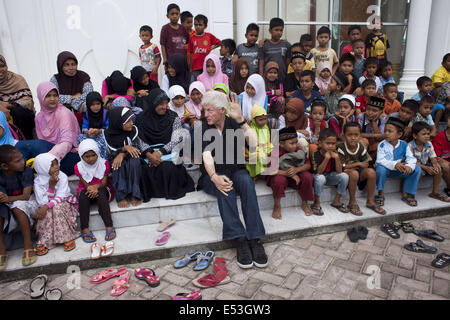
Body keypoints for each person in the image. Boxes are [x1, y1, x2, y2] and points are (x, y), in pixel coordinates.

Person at [197, 90, 267, 269]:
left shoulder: (233, 123)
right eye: (205, 111)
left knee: (246, 182)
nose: (206, 115)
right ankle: (240, 239)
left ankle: (254, 237)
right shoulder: (204, 127)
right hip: (212, 174)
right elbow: (206, 155)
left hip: (237, 169)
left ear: (222, 110)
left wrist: (242, 121)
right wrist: (214, 176)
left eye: (210, 111)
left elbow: (253, 144)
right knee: (225, 186)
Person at [137, 89, 195, 201]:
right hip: (148, 154)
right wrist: (150, 155)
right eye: (160, 104)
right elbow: (139, 139)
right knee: (146, 170)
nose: (164, 107)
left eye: (166, 103)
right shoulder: (141, 119)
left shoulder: (173, 117)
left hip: (168, 152)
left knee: (168, 168)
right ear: (152, 103)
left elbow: (176, 139)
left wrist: (160, 152)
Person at [15, 82, 81, 176]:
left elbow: (67, 143)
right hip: (49, 157)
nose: (52, 99)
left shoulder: (64, 113)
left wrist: (47, 159)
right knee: (22, 147)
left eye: (55, 95)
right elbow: (43, 143)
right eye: (48, 96)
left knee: (31, 145)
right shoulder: (39, 117)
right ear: (41, 97)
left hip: (69, 156)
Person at [33, 153, 80, 255]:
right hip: (48, 206)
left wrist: (47, 205)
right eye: (52, 165)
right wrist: (51, 187)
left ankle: (66, 236)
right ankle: (44, 240)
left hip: (65, 203)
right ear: (42, 168)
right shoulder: (38, 182)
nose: (56, 167)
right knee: (48, 211)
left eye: (56, 164)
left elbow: (61, 196)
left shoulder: (62, 176)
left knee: (56, 208)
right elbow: (43, 202)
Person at [0, 145, 37, 269]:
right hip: (7, 204)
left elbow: (26, 196)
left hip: (26, 203)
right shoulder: (1, 175)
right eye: (18, 161)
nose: (23, 162)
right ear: (5, 166)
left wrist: (8, 199)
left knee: (17, 206)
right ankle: (2, 249)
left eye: (22, 158)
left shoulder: (26, 171)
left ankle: (28, 245)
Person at [337, 122, 385, 215]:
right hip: (346, 174)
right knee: (354, 173)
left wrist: (354, 166)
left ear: (360, 136)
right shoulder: (341, 147)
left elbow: (366, 163)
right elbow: (342, 166)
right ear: (344, 135)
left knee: (371, 172)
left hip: (357, 173)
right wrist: (357, 164)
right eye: (349, 135)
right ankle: (352, 202)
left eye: (356, 135)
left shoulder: (361, 146)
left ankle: (370, 201)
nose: (353, 137)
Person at [266, 126, 314, 218]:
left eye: (296, 142)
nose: (295, 145)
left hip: (295, 176)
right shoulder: (275, 152)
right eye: (291, 143)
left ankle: (304, 203)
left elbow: (308, 165)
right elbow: (269, 170)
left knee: (308, 177)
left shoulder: (298, 151)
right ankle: (277, 205)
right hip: (281, 174)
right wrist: (286, 173)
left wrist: (296, 170)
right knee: (278, 180)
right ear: (281, 144)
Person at [75, 139, 115, 243]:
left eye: (93, 155)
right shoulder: (79, 167)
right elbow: (85, 184)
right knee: (83, 196)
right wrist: (91, 189)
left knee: (101, 193)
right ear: (81, 156)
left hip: (102, 188)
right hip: (86, 189)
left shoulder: (104, 163)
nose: (91, 159)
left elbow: (104, 182)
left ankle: (109, 226)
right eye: (87, 156)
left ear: (97, 153)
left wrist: (96, 188)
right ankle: (85, 228)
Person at [375, 117, 421, 207]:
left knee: (417, 169)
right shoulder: (382, 144)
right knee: (380, 169)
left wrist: (409, 166)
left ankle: (406, 194)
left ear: (399, 134)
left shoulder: (404, 144)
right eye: (385, 131)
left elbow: (411, 158)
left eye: (390, 131)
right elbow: (380, 160)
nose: (386, 133)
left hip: (399, 170)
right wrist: (395, 164)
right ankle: (380, 193)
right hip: (387, 170)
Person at [102, 107, 143, 208]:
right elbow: (109, 154)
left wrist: (123, 153)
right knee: (118, 164)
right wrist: (123, 150)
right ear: (118, 122)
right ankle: (121, 196)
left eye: (131, 120)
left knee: (134, 161)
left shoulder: (133, 131)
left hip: (133, 158)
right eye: (127, 121)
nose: (131, 123)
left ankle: (135, 193)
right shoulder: (108, 135)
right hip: (115, 158)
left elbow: (138, 149)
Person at [310, 128, 349, 215]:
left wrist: (337, 158)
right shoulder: (315, 153)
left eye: (333, 143)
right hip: (318, 177)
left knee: (344, 176)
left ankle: (336, 201)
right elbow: (318, 172)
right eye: (328, 143)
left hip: (330, 176)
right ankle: (316, 202)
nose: (331, 146)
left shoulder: (336, 153)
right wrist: (326, 158)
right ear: (320, 143)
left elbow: (339, 172)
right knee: (321, 178)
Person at [410, 121, 450, 203]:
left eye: (428, 134)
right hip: (415, 167)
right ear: (415, 135)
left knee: (438, 169)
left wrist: (435, 164)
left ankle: (434, 193)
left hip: (425, 165)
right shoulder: (410, 146)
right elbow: (412, 162)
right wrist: (426, 168)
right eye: (424, 134)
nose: (427, 136)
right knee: (418, 172)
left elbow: (433, 156)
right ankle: (410, 193)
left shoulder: (429, 144)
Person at [50, 51, 93, 124]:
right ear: (61, 66)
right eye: (66, 65)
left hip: (80, 105)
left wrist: (74, 104)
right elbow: (53, 97)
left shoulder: (83, 76)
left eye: (73, 64)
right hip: (61, 108)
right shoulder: (55, 79)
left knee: (90, 104)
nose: (70, 68)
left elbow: (89, 94)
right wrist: (72, 97)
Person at [0, 55, 35, 140]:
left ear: (6, 66)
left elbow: (28, 101)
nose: (0, 70)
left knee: (19, 112)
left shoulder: (17, 79)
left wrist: (9, 104)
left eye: (2, 66)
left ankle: (27, 141)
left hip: (21, 114)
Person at [77, 92, 109, 160]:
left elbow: (108, 128)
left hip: (102, 135)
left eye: (98, 104)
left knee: (103, 140)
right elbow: (84, 127)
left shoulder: (106, 113)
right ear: (88, 105)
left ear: (101, 103)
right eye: (92, 104)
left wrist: (99, 131)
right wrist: (88, 132)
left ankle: (103, 161)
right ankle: (86, 159)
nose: (96, 106)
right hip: (90, 135)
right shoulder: (86, 114)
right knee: (80, 137)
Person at [188, 14, 221, 81]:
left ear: (205, 26)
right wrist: (190, 67)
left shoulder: (209, 36)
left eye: (200, 25)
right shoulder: (192, 38)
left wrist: (211, 48)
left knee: (206, 83)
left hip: (206, 67)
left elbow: (219, 43)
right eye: (196, 25)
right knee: (196, 83)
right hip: (196, 67)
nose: (198, 27)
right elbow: (190, 53)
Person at [258, 18, 291, 83]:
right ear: (270, 31)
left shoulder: (286, 45)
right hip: (267, 80)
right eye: (276, 30)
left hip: (282, 78)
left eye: (281, 30)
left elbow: (288, 64)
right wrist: (261, 78)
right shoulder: (264, 45)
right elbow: (261, 64)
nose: (279, 32)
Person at [246, 105, 272, 179]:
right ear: (254, 119)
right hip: (254, 148)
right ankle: (254, 175)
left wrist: (268, 148)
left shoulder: (265, 127)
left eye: (265, 119)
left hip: (264, 146)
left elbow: (268, 139)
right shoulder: (251, 128)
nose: (264, 122)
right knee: (256, 155)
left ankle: (265, 173)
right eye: (261, 120)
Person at [359, 96, 387, 160]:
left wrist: (374, 122)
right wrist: (375, 135)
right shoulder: (361, 117)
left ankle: (370, 162)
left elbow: (380, 138)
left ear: (381, 112)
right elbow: (357, 134)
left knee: (379, 145)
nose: (370, 113)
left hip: (374, 143)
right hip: (362, 142)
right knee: (364, 141)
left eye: (374, 111)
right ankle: (363, 161)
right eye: (368, 109)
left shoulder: (383, 118)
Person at [432, 115, 450, 196]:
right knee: (446, 166)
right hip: (439, 160)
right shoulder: (440, 136)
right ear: (448, 120)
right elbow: (436, 157)